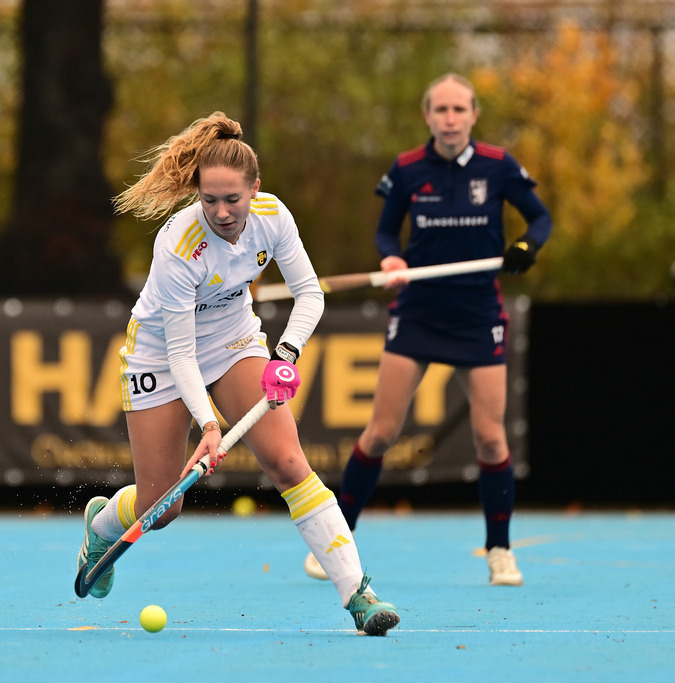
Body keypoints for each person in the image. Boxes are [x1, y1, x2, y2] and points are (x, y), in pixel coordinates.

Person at [75, 112, 400, 635]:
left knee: (289, 462)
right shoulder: (177, 246)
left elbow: (309, 294)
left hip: (233, 341)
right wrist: (209, 425)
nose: (222, 212)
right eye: (209, 200)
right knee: (163, 506)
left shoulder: (274, 217)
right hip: (159, 355)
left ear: (255, 188)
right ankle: (102, 525)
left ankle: (358, 595)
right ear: (196, 194)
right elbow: (181, 354)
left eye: (233, 199)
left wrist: (284, 356)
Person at [303, 74, 552, 586]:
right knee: (381, 433)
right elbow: (385, 232)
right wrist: (391, 257)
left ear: (473, 115)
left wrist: (527, 247)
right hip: (418, 312)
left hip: (478, 315)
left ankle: (500, 550)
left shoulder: (498, 166)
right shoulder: (408, 169)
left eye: (459, 109)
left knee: (490, 438)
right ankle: (336, 541)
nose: (450, 118)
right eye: (441, 109)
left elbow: (540, 220)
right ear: (428, 116)